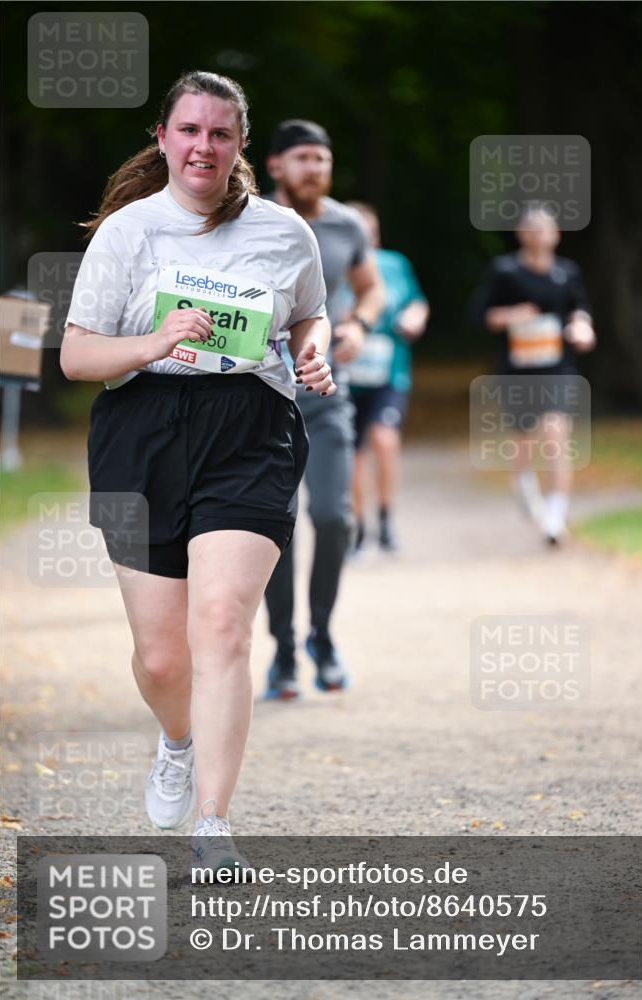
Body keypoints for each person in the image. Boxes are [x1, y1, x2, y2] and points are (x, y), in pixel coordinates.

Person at [60, 72, 335, 871]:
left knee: (220, 623)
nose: (202, 146)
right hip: (140, 429)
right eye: (188, 130)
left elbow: (309, 313)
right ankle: (175, 739)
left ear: (240, 144)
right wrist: (150, 342)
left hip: (249, 427)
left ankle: (212, 824)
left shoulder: (285, 233)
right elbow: (78, 355)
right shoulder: (127, 233)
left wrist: (313, 348)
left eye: (219, 133)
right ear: (162, 138)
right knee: (160, 658)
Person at [262, 121, 383, 699]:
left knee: (334, 519)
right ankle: (283, 651)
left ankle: (322, 636)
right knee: (274, 529)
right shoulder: (246, 219)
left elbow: (370, 287)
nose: (315, 169)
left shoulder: (346, 224)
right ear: (275, 165)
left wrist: (358, 323)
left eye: (323, 159)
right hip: (259, 402)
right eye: (303, 158)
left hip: (328, 397)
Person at [470, 206, 596, 544]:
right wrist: (511, 315)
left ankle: (554, 520)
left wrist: (582, 326)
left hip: (558, 367)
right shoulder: (506, 271)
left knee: (557, 436)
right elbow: (479, 315)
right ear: (522, 234)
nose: (539, 234)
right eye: (532, 228)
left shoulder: (567, 272)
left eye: (546, 228)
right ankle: (523, 481)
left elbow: (579, 309)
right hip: (517, 370)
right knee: (523, 442)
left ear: (557, 234)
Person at [344, 202, 429, 554]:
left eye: (370, 230)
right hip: (346, 374)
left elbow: (417, 301)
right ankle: (359, 529)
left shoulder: (395, 264)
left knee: (385, 439)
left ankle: (386, 520)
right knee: (354, 455)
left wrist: (414, 317)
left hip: (388, 371)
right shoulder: (331, 264)